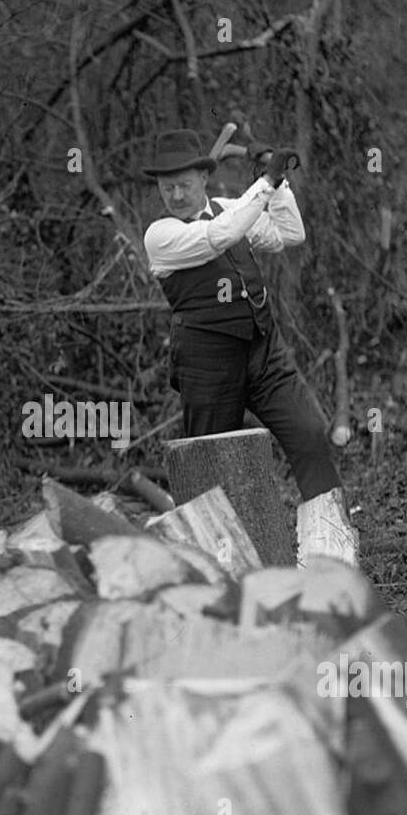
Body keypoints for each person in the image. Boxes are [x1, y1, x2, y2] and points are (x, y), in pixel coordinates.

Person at [141, 128, 357, 565]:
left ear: (204, 177)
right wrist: (266, 181)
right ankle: (217, 575)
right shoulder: (160, 235)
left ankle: (331, 556)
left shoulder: (229, 207)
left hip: (263, 351)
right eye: (168, 187)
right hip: (207, 366)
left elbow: (289, 233)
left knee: (311, 435)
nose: (177, 194)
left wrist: (274, 181)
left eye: (184, 183)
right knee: (208, 471)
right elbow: (220, 236)